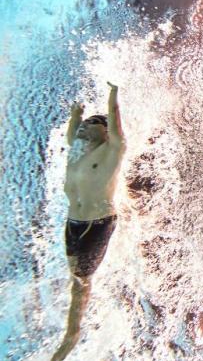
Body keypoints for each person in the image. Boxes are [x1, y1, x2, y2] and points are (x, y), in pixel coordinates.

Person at [52, 82, 126, 361]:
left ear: (106, 133)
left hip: (96, 224)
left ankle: (71, 338)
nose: (84, 126)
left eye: (92, 123)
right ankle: (73, 331)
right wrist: (76, 113)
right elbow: (73, 131)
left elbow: (118, 129)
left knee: (81, 282)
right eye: (84, 124)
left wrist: (113, 95)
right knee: (77, 279)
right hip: (73, 223)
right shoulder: (78, 149)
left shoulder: (112, 150)